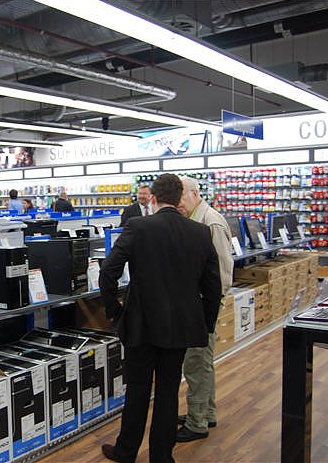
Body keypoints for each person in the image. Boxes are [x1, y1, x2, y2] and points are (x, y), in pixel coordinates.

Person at [98, 173, 221, 463]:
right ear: (179, 199)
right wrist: (205, 324)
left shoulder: (138, 226)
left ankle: (126, 451)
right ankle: (162, 456)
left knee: (138, 390)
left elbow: (108, 272)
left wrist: (115, 312)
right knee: (168, 391)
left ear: (153, 198)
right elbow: (212, 287)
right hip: (179, 328)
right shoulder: (200, 232)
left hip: (141, 324)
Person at [175, 176, 234, 442]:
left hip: (203, 305)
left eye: (182, 196)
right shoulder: (195, 219)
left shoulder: (211, 222)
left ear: (195, 193)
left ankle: (196, 423)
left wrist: (210, 307)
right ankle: (205, 413)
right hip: (199, 303)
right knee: (203, 362)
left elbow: (222, 272)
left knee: (196, 363)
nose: (178, 202)